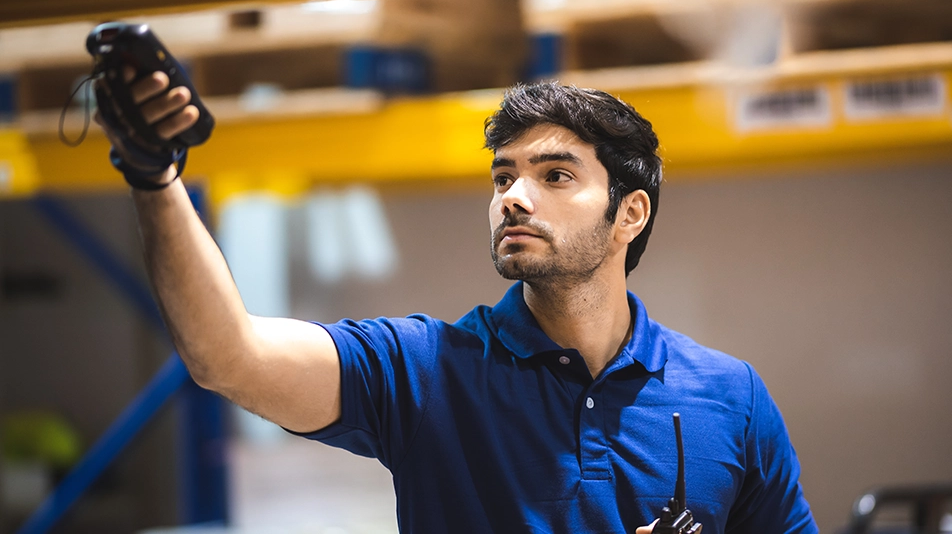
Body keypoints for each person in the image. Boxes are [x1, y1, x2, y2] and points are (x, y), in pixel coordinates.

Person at [99, 67, 817, 534]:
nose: (514, 197)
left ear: (629, 214)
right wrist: (154, 178)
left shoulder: (731, 397)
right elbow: (227, 356)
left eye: (555, 176)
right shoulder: (424, 370)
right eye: (503, 177)